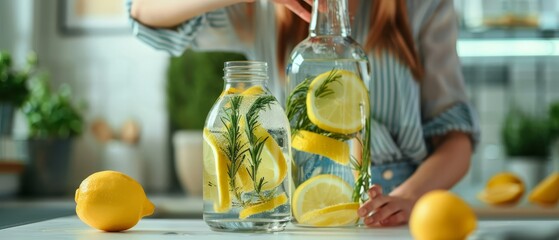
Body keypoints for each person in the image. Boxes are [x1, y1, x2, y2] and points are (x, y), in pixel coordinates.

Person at [127, 0, 479, 227]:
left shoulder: (421, 7)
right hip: (297, 208)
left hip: (398, 212)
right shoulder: (262, 10)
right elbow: (144, 13)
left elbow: (455, 138)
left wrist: (407, 196)